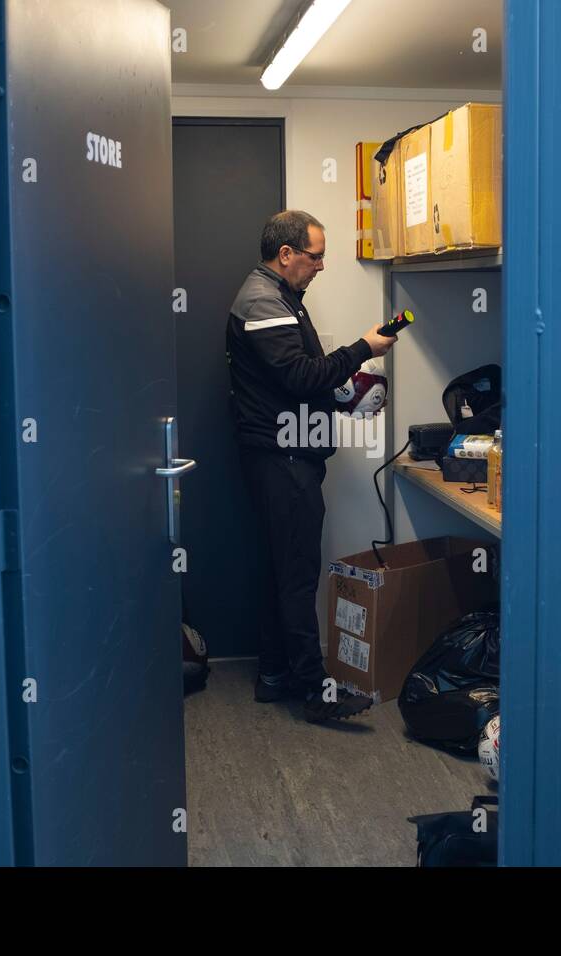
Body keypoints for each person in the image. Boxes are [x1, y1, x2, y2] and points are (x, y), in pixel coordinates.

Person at [225, 210, 397, 723]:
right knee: (297, 575)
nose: (321, 266)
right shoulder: (263, 300)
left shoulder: (278, 298)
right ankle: (314, 690)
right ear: (286, 255)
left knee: (283, 569)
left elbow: (292, 380)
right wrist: (362, 348)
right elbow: (299, 376)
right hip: (283, 459)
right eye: (315, 256)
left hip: (286, 453)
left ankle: (275, 674)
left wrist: (344, 394)